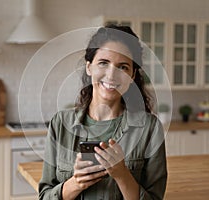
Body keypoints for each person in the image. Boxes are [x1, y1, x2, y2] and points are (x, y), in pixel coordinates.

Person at [39, 24, 167, 200]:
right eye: (103, 63)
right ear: (89, 67)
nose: (112, 75)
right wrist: (76, 183)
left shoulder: (150, 128)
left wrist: (122, 174)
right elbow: (44, 197)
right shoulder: (60, 124)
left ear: (132, 75)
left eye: (123, 67)